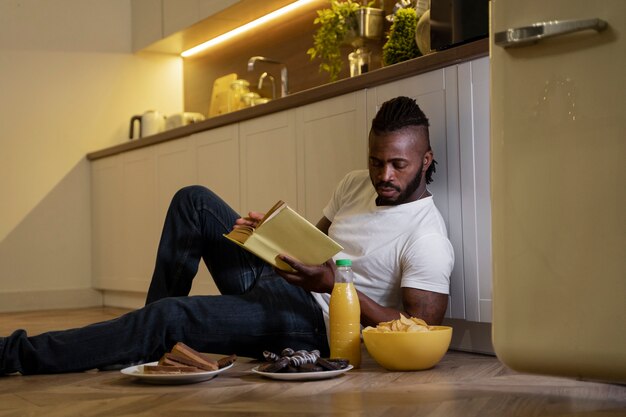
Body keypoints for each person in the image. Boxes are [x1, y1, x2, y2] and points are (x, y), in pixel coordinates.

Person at [0, 96, 454, 375]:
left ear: (426, 159)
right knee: (193, 200)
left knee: (169, 316)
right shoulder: (356, 182)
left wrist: (335, 287)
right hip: (283, 283)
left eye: (399, 164)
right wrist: (265, 238)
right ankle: (147, 346)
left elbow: (419, 328)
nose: (383, 174)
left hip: (312, 324)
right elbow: (310, 248)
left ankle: (16, 354)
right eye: (377, 161)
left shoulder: (427, 236)